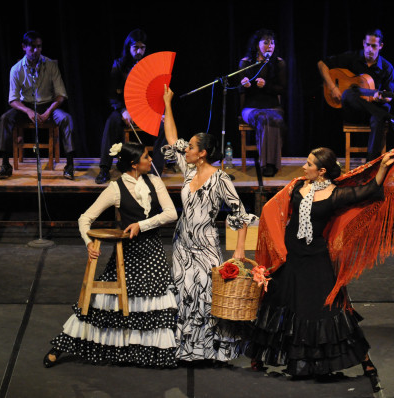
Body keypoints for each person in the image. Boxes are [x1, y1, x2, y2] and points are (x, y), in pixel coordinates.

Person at [246, 147, 394, 390]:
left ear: (321, 171)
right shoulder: (296, 186)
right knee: (278, 303)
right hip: (291, 259)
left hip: (316, 260)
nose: (304, 167)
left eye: (309, 164)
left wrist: (384, 166)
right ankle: (258, 357)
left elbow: (368, 190)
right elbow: (273, 208)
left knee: (331, 309)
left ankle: (365, 362)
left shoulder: (336, 194)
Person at [44, 141, 178, 368]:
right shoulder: (116, 189)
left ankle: (141, 352)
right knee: (100, 304)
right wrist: (89, 243)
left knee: (152, 306)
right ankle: (62, 345)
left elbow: (171, 214)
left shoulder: (155, 182)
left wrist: (141, 225)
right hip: (127, 256)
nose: (151, 160)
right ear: (135, 164)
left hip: (153, 254)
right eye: (146, 157)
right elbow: (84, 219)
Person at [162, 85, 258, 363]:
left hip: (206, 246)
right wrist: (168, 102)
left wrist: (239, 251)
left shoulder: (221, 179)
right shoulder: (188, 169)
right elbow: (172, 138)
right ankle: (184, 350)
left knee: (205, 294)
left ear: (202, 153)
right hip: (182, 244)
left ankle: (210, 351)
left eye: (190, 147)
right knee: (183, 293)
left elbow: (240, 214)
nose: (185, 149)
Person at [0, 30, 75, 180]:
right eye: (32, 47)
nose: (36, 50)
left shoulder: (51, 65)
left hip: (48, 105)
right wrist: (27, 111)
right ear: (24, 47)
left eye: (39, 47)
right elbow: (13, 99)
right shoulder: (16, 69)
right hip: (25, 107)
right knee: (5, 119)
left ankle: (70, 165)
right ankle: (5, 164)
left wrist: (48, 112)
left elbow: (61, 95)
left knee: (66, 119)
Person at [318, 29, 394, 162]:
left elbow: (389, 96)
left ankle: (370, 164)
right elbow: (322, 64)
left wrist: (381, 97)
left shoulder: (387, 68)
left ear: (380, 46)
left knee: (378, 117)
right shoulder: (353, 57)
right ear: (363, 43)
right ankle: (390, 118)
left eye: (374, 46)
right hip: (354, 112)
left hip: (374, 110)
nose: (369, 49)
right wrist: (332, 87)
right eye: (367, 44)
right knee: (348, 94)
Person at [95, 28, 168, 184]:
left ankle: (155, 171)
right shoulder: (119, 65)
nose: (139, 51)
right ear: (128, 47)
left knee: (165, 125)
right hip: (125, 109)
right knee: (111, 122)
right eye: (135, 47)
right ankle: (104, 169)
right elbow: (112, 94)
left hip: (145, 110)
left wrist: (158, 112)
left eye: (142, 47)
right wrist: (123, 110)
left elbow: (157, 93)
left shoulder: (150, 65)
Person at [238, 28, 287, 177]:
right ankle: (266, 164)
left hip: (273, 107)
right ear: (257, 45)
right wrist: (245, 85)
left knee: (274, 119)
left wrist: (266, 85)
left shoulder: (279, 63)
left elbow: (283, 89)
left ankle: (271, 164)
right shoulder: (246, 63)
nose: (270, 46)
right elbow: (239, 90)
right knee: (263, 118)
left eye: (272, 43)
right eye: (266, 43)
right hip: (251, 108)